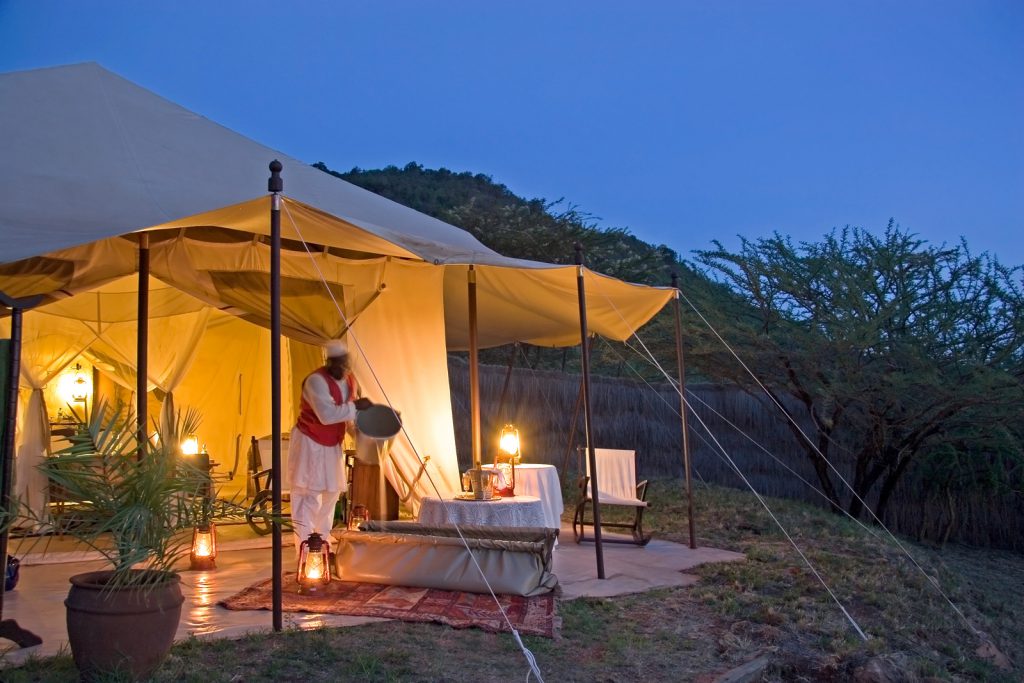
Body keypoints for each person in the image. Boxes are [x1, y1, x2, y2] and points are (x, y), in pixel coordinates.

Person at [289, 339, 371, 555]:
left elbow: (348, 419)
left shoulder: (350, 381)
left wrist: (364, 435)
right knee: (308, 497)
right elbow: (326, 416)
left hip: (332, 445)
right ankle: (305, 552)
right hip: (310, 443)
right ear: (329, 361)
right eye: (338, 363)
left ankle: (322, 546)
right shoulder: (316, 381)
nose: (342, 368)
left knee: (331, 495)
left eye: (345, 363)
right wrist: (356, 407)